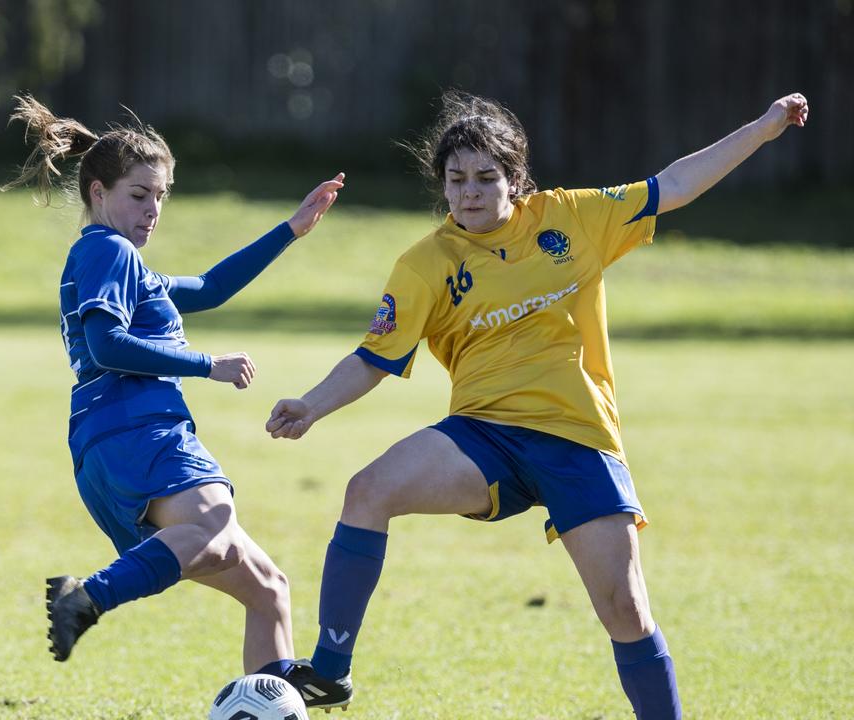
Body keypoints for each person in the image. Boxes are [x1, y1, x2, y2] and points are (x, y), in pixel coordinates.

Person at [266, 91, 809, 717]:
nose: (470, 193)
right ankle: (330, 672)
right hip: (483, 437)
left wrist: (764, 130)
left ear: (515, 179)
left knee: (626, 610)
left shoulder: (573, 218)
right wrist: (311, 404)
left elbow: (675, 184)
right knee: (367, 491)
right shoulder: (425, 265)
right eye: (456, 179)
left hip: (579, 437)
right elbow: (373, 357)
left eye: (486, 178)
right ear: (442, 185)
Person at [1, 94, 347, 700]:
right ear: (97, 193)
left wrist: (291, 229)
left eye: (161, 196)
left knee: (267, 588)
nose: (153, 209)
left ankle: (269, 703)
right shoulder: (107, 250)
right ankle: (89, 597)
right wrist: (206, 364)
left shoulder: (126, 265)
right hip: (138, 431)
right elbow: (107, 344)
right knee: (214, 521)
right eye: (140, 195)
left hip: (111, 443)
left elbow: (210, 287)